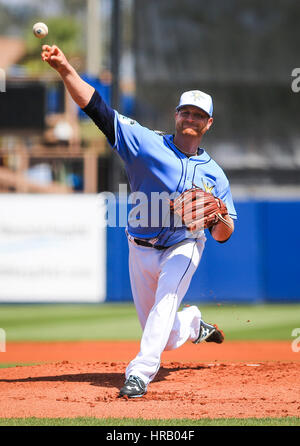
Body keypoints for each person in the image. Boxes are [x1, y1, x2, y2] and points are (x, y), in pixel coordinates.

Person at [41, 45, 237, 399]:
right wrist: (65, 69)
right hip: (140, 247)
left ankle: (139, 374)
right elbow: (97, 109)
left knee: (163, 308)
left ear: (208, 123)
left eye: (198, 114)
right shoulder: (145, 144)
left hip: (185, 245)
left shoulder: (215, 175)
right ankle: (191, 323)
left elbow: (224, 234)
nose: (190, 119)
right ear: (176, 115)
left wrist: (217, 217)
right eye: (185, 112)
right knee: (164, 331)